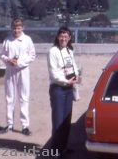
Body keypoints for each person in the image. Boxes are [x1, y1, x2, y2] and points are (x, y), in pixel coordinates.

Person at [0, 17, 36, 135]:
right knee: (10, 98)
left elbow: (32, 55)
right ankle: (9, 124)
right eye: (14, 28)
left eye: (19, 28)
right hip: (10, 71)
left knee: (24, 97)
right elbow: (3, 55)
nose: (16, 30)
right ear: (12, 28)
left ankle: (25, 126)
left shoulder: (27, 40)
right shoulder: (7, 40)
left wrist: (20, 63)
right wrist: (8, 60)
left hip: (23, 71)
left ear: (22, 28)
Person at [47, 26, 79, 155]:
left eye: (66, 36)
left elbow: (74, 67)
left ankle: (63, 148)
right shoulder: (52, 51)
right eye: (61, 36)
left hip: (69, 89)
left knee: (66, 120)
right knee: (58, 121)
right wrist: (66, 81)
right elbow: (54, 73)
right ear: (57, 37)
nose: (63, 39)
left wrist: (76, 77)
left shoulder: (70, 50)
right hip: (58, 89)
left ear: (69, 38)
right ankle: (55, 151)